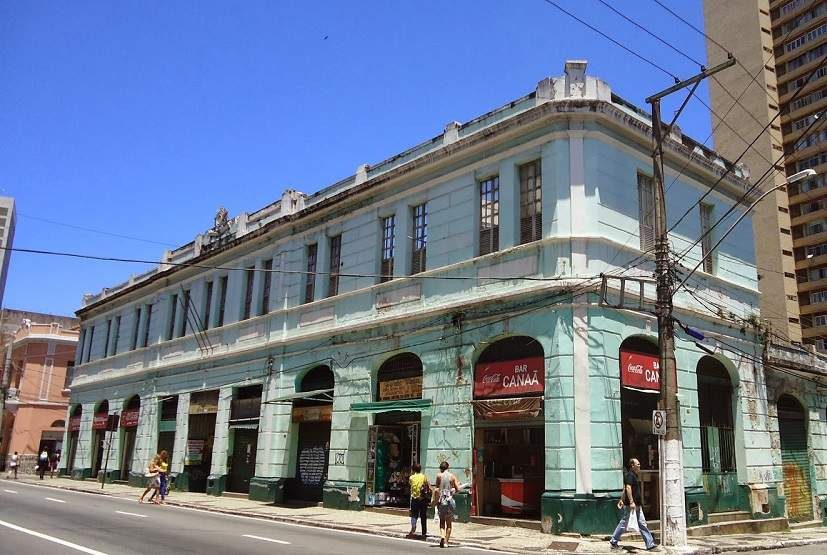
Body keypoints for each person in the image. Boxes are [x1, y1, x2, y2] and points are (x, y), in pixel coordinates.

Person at [610, 458, 658, 551]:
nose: (639, 466)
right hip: (632, 505)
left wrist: (622, 500)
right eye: (638, 464)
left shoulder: (633, 475)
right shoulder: (630, 475)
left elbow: (624, 489)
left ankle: (650, 544)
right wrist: (631, 502)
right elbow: (627, 488)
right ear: (632, 465)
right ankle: (613, 541)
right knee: (624, 523)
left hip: (636, 505)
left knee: (641, 523)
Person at [434, 461, 461, 548]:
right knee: (449, 524)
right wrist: (452, 490)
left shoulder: (439, 476)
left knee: (442, 522)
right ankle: (446, 541)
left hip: (441, 501)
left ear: (441, 468)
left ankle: (442, 536)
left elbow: (437, 488)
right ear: (448, 467)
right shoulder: (452, 476)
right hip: (449, 501)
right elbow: (458, 489)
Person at [406, 462, 430, 539]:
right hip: (423, 499)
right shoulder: (424, 476)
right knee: (423, 516)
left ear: (413, 470)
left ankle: (413, 529)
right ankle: (424, 533)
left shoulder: (411, 477)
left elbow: (410, 485)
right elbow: (427, 485)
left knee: (414, 515)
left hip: (415, 499)